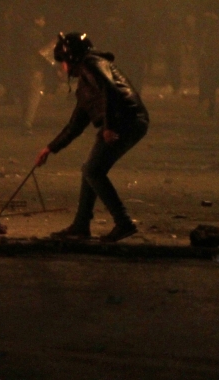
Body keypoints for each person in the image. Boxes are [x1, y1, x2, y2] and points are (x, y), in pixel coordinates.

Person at [34, 32, 149, 242]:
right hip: (121, 121)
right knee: (90, 169)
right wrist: (50, 148)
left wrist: (109, 127)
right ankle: (81, 225)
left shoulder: (92, 63)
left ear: (71, 57)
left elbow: (110, 90)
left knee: (93, 170)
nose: (60, 68)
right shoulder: (85, 84)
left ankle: (123, 223)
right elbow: (75, 125)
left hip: (127, 121)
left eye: (61, 62)